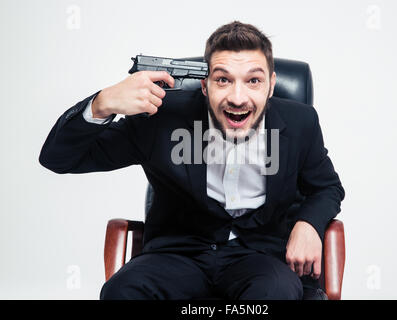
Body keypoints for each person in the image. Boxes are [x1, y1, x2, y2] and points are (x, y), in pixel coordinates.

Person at [39, 21, 345, 300]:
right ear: (204, 84)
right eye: (223, 80)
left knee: (275, 293)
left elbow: (326, 187)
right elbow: (58, 158)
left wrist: (308, 224)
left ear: (271, 84)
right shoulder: (161, 119)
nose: (238, 98)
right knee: (122, 292)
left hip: (261, 259)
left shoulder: (300, 122)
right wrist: (101, 104)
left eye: (253, 81)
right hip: (177, 256)